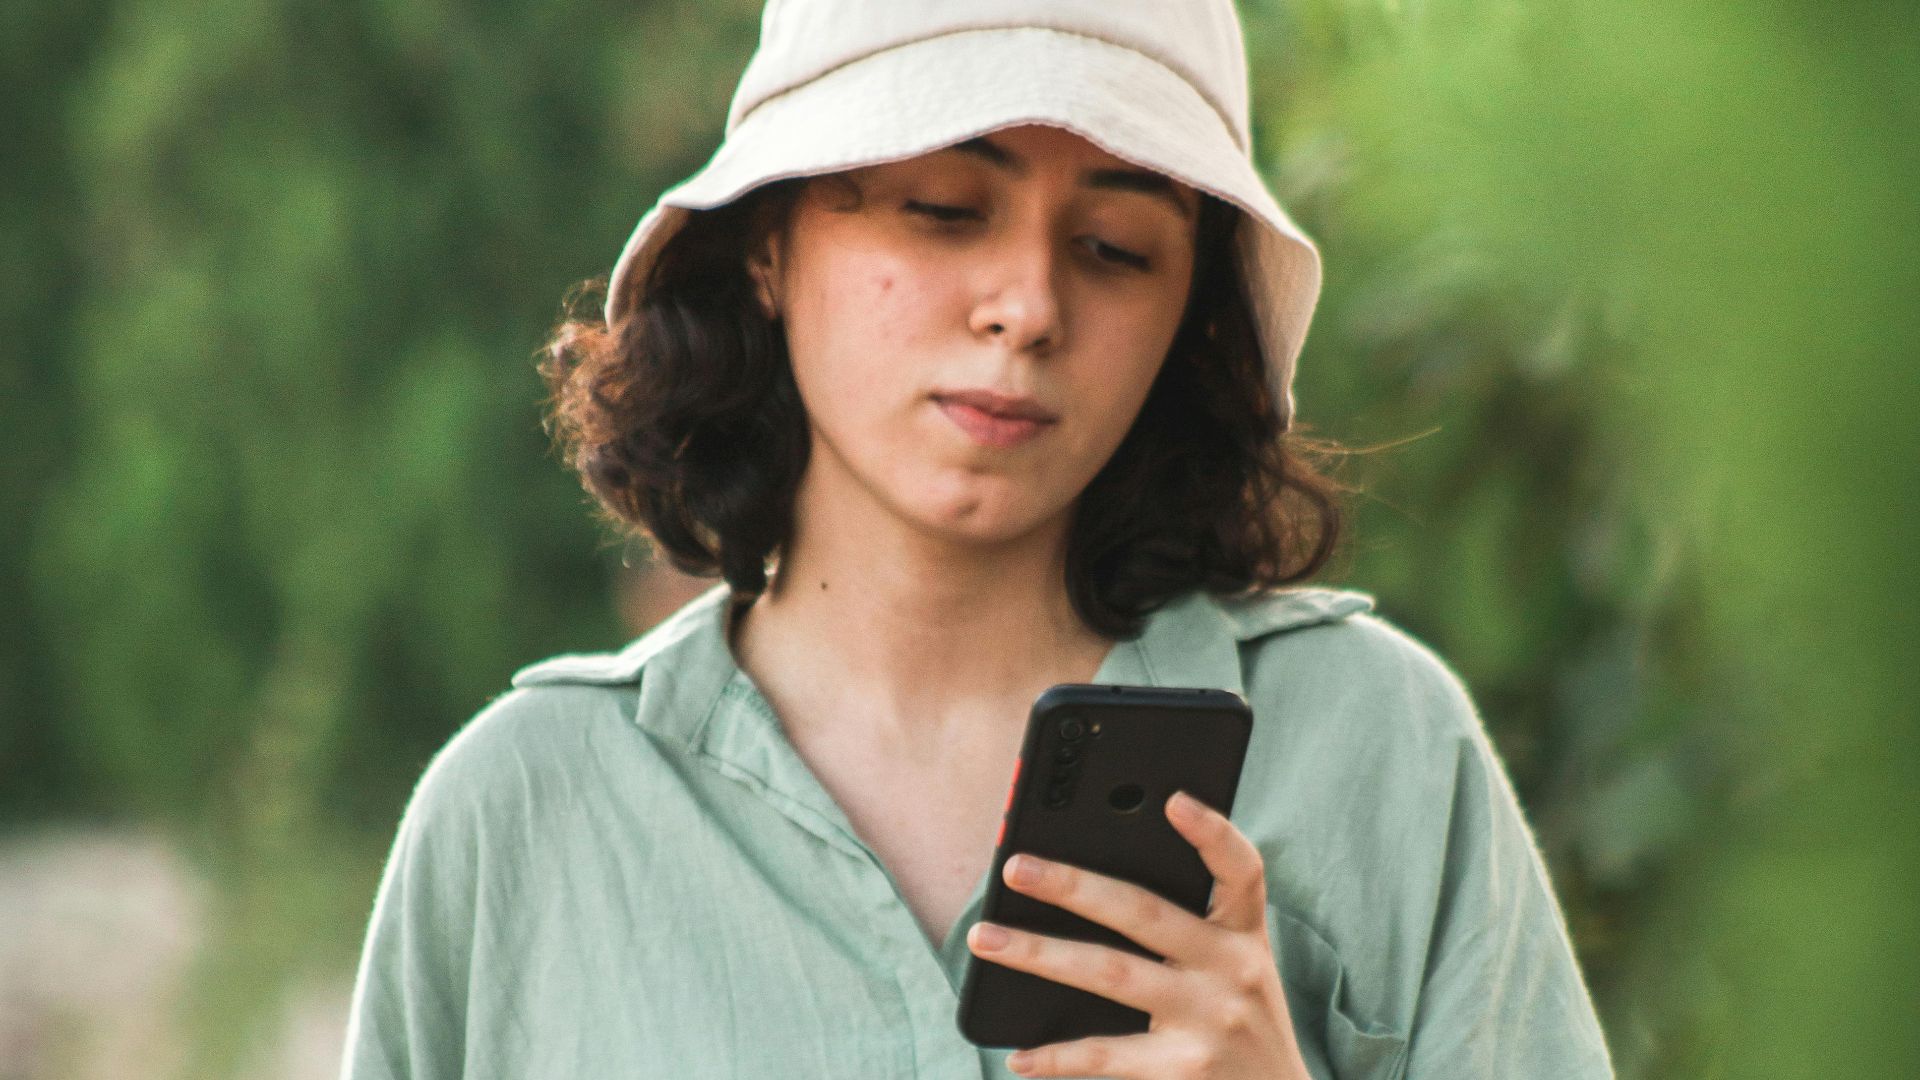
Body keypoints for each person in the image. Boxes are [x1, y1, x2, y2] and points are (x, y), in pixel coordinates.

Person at [339, 2, 1614, 1078]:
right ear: (771, 244)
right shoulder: (523, 821)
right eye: (945, 207)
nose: (1029, 306)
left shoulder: (1379, 756)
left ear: (1192, 313)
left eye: (1117, 248)